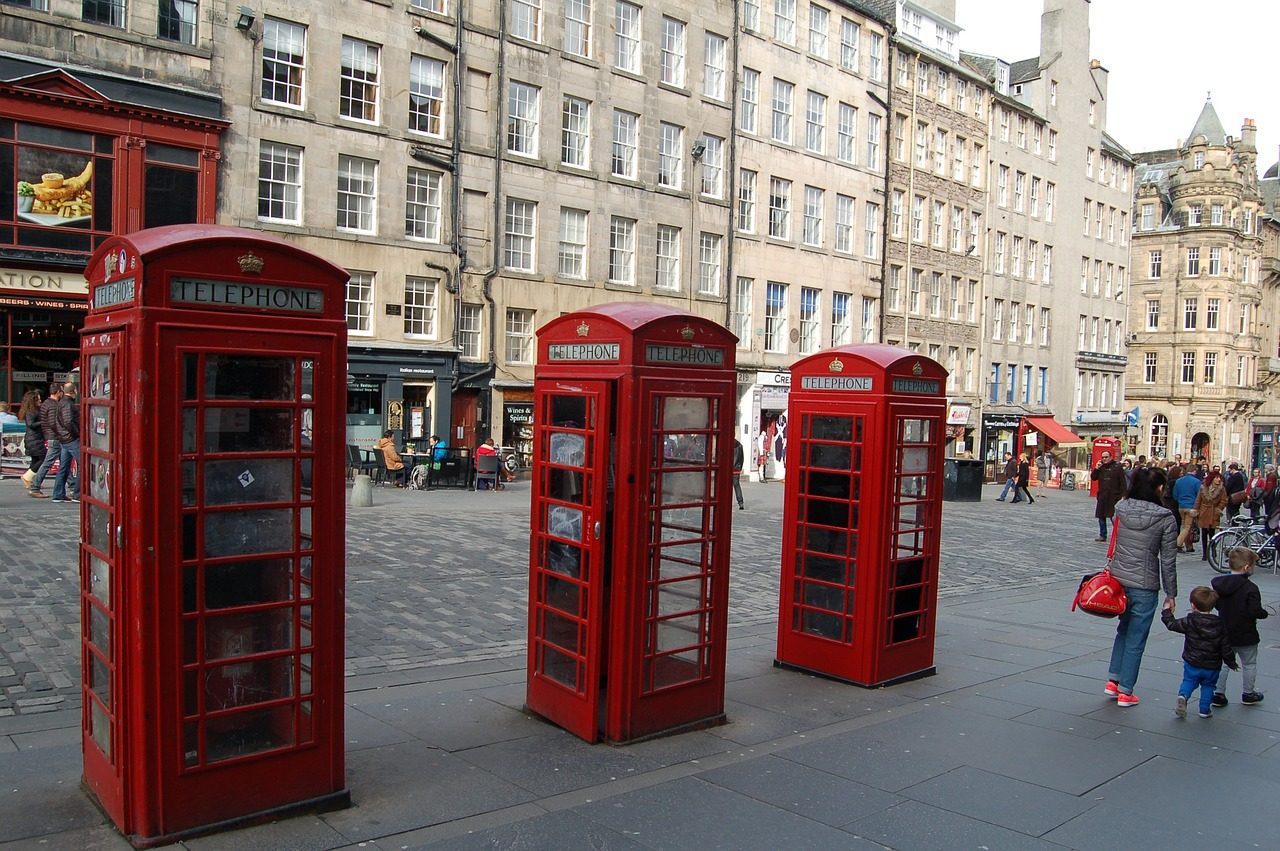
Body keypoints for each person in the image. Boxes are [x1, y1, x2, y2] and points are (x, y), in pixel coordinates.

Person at [1103, 466, 1178, 707]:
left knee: (1123, 632)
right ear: (1159, 488)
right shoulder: (1165, 517)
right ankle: (1126, 690)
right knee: (1137, 637)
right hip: (1144, 584)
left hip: (1119, 580)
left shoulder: (1120, 509)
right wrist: (1171, 593)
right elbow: (1168, 560)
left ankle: (1113, 680)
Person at [1161, 586, 1237, 719]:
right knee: (1209, 686)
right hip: (1212, 664)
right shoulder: (1219, 624)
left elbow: (1171, 624)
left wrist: (1166, 611)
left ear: (1192, 605)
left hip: (1192, 661)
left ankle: (1183, 696)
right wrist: (1231, 662)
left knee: (1189, 680)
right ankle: (1204, 710)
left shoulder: (1190, 621)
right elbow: (1225, 646)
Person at [1210, 547, 1268, 707]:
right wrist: (1264, 613)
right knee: (1249, 663)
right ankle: (1248, 693)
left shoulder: (1219, 585)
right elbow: (1254, 610)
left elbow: (1219, 605)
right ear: (1247, 568)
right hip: (1246, 633)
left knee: (1223, 663)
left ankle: (1218, 693)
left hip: (1225, 631)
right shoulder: (1250, 588)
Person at [28, 383, 63, 499]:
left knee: (64, 462)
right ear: (58, 392)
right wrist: (62, 432)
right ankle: (35, 487)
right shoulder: (53, 405)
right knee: (48, 462)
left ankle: (73, 486)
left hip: (51, 436)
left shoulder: (46, 404)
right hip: (55, 437)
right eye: (61, 391)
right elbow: (53, 423)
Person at [51, 380, 81, 504]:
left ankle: (58, 494)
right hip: (71, 439)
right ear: (75, 391)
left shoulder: (61, 403)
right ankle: (77, 493)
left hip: (63, 438)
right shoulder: (68, 404)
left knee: (64, 466)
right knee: (83, 464)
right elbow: (68, 421)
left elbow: (55, 422)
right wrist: (77, 434)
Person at [1090, 449, 1127, 541]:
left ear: (1111, 457)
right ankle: (1103, 535)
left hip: (1113, 496)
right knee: (1101, 516)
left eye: (1106, 457)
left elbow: (1123, 482)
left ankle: (1118, 535)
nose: (1104, 459)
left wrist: (1124, 494)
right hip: (1102, 495)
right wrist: (1096, 468)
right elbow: (1093, 477)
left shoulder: (1117, 467)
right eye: (1102, 457)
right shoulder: (1101, 467)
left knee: (1113, 517)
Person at [1192, 470, 1228, 561]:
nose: (1218, 479)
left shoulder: (1222, 488)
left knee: (1212, 533)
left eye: (1219, 478)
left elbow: (1224, 500)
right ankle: (1204, 553)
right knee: (1204, 533)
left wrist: (1219, 508)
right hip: (1204, 511)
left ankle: (1213, 550)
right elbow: (1198, 499)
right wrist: (1196, 510)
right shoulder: (1204, 487)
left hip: (1213, 512)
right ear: (1212, 479)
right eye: (1216, 478)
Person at [1171, 467, 1202, 553]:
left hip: (1181, 506)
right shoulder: (1196, 481)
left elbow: (1175, 494)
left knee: (1185, 526)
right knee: (1187, 527)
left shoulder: (1179, 481)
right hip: (1191, 506)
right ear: (1194, 471)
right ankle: (1178, 544)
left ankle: (1189, 546)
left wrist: (1181, 501)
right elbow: (1199, 495)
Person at [17, 390, 43, 489]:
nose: (40, 401)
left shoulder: (34, 410)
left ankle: (31, 479)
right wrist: (43, 422)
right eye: (38, 399)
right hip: (33, 439)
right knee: (43, 458)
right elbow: (31, 424)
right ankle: (27, 477)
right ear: (33, 400)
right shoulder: (31, 412)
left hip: (34, 438)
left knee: (35, 460)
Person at [731, 438, 745, 510]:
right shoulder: (739, 445)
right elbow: (741, 458)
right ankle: (740, 503)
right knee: (737, 486)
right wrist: (740, 467)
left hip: (728, 468)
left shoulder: (727, 445)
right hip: (736, 468)